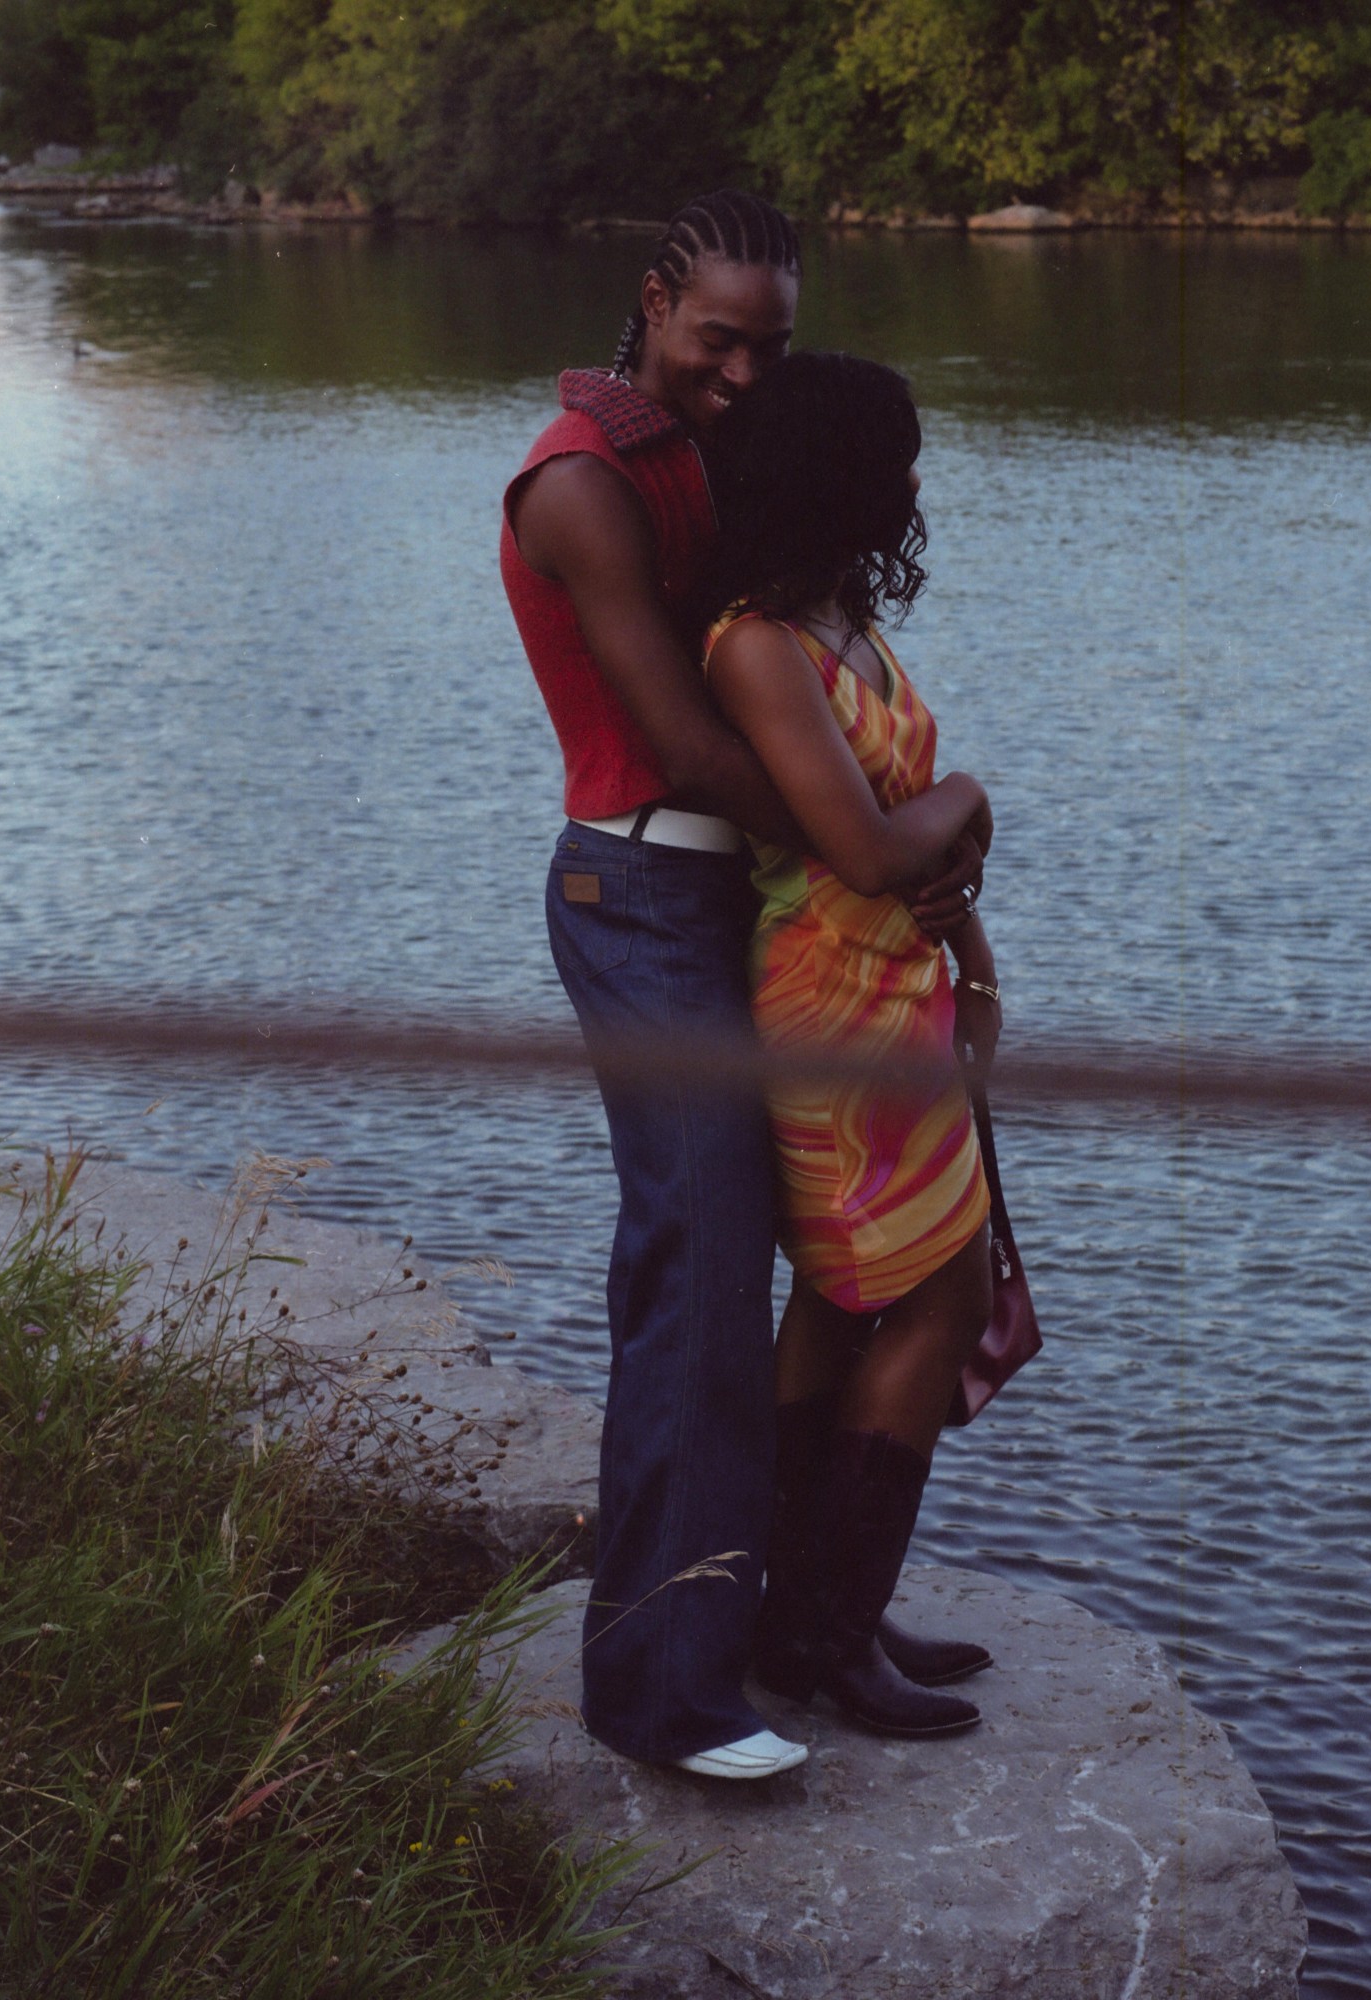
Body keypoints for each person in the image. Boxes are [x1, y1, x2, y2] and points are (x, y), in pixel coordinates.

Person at [500, 195, 984, 1778]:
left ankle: (791, 1620)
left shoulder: (691, 453)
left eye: (771, 349)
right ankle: (662, 1696)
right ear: (653, 300)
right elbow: (703, 743)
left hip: (745, 901)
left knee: (820, 1275)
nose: (745, 375)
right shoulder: (578, 482)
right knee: (697, 1293)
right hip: (641, 887)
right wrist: (888, 845)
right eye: (720, 340)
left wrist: (887, 861)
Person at [699, 351, 1001, 1737]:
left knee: (839, 1297)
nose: (913, 481)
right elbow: (870, 846)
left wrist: (953, 891)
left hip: (900, 992)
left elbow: (910, 857)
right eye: (896, 458)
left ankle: (811, 1609)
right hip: (831, 1007)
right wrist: (967, 800)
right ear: (835, 473)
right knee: (935, 1298)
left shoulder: (846, 619)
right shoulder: (760, 645)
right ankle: (825, 1631)